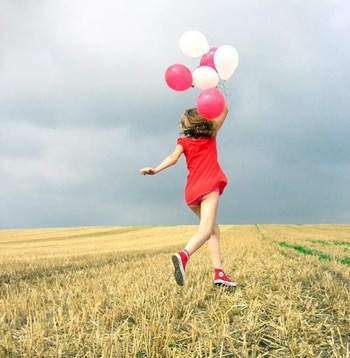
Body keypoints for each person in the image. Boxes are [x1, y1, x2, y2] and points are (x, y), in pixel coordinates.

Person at [139, 105, 236, 288]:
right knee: (206, 231)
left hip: (191, 192)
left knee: (214, 230)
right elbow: (224, 109)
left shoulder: (183, 142)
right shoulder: (212, 134)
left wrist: (155, 170)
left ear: (186, 124)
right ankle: (183, 255)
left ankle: (219, 273)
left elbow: (172, 158)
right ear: (204, 119)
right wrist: (213, 89)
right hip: (208, 187)